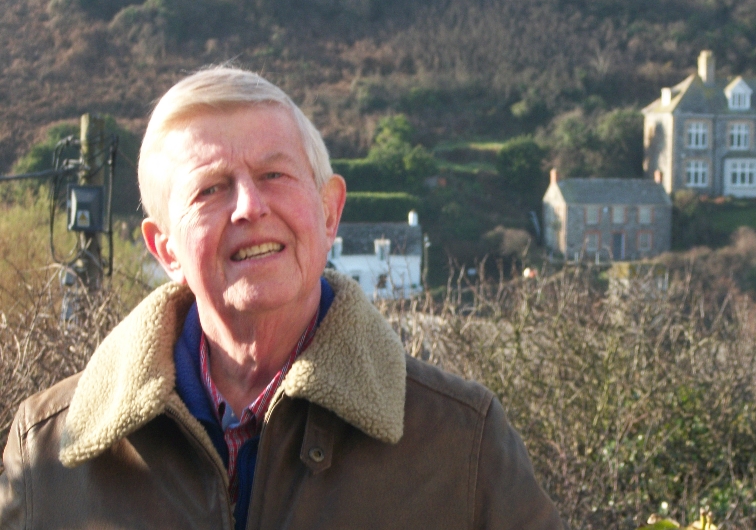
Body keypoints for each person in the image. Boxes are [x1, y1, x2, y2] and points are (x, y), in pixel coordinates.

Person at [0, 68, 563, 529]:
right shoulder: (47, 453)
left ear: (329, 211)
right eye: (210, 189)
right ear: (164, 248)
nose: (249, 206)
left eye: (273, 174)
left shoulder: (460, 443)